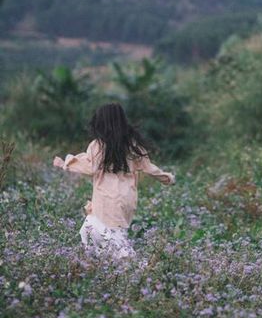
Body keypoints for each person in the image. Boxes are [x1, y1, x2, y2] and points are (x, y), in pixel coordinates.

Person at [53, 102, 175, 259]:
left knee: (106, 237)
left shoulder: (98, 146)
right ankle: (109, 268)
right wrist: (167, 178)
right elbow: (149, 167)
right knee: (99, 232)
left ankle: (135, 267)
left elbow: (90, 167)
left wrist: (66, 163)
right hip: (126, 199)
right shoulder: (131, 145)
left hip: (106, 200)